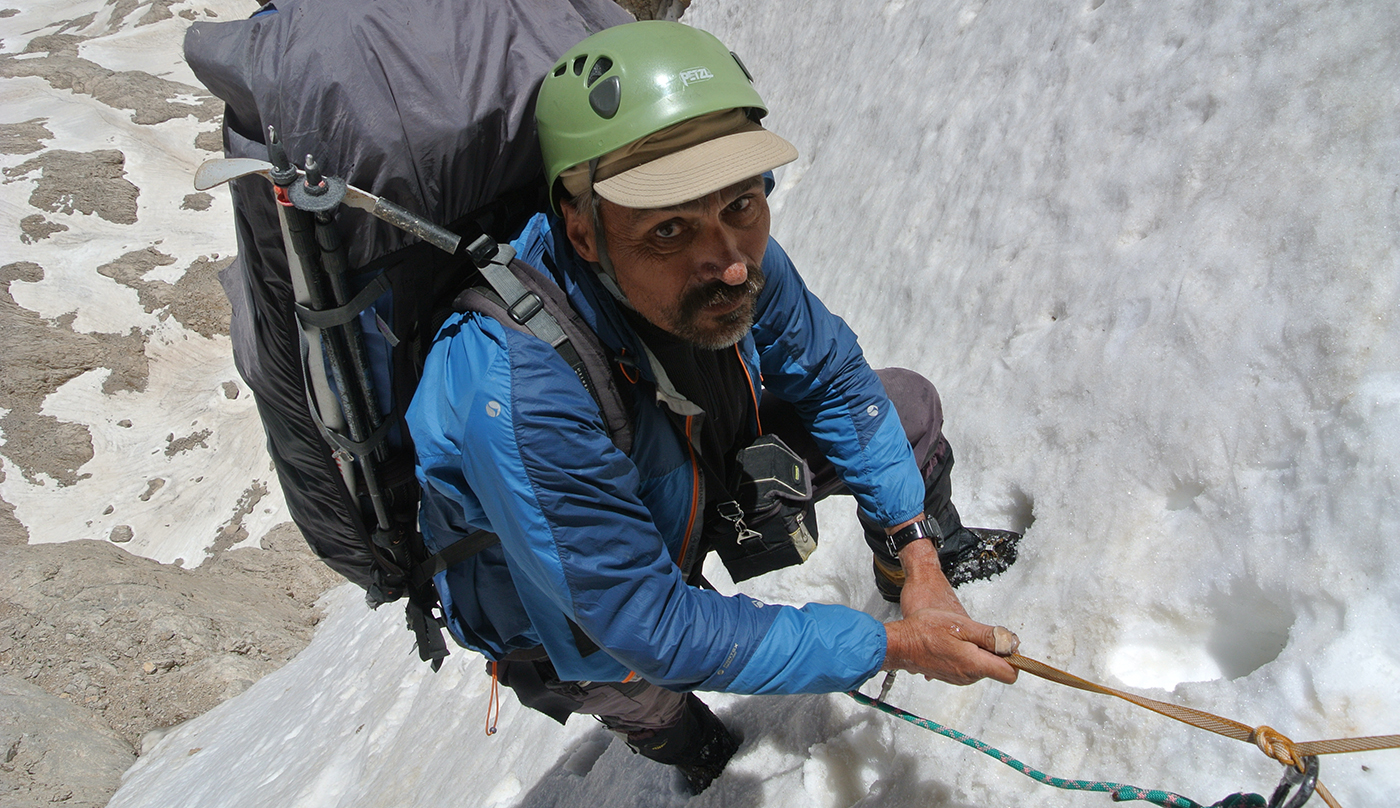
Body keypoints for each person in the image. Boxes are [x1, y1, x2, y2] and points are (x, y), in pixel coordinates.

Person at [407, 20, 1021, 794]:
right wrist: (889, 647)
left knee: (901, 408)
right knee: (632, 676)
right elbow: (647, 621)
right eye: (669, 227)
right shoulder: (515, 390)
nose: (731, 265)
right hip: (560, 593)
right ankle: (687, 746)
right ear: (583, 234)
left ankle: (922, 571)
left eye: (743, 203)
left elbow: (835, 380)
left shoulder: (728, 251)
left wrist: (917, 551)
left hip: (681, 469)